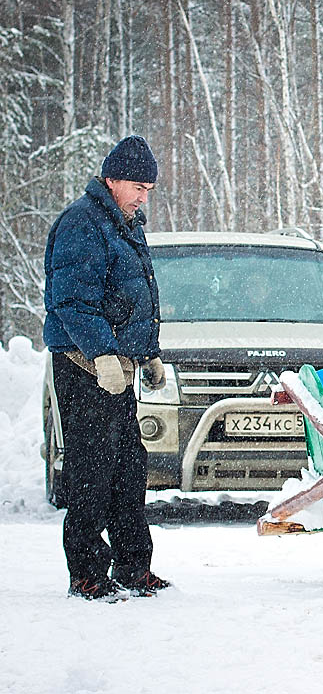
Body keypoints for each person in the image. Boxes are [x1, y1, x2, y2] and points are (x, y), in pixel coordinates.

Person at [43, 135, 172, 601]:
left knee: (127, 469)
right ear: (111, 178)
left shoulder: (126, 225)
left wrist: (148, 351)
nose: (143, 197)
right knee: (91, 472)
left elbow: (137, 299)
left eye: (149, 189)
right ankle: (87, 572)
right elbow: (72, 301)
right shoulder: (82, 223)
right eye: (138, 186)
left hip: (118, 369)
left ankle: (134, 566)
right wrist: (100, 353)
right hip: (84, 369)